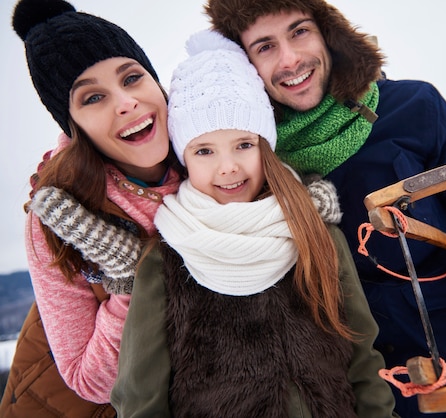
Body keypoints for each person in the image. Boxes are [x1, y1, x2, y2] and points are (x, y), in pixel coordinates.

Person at [204, 1, 446, 417]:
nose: (290, 59)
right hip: (351, 389)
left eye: (299, 32)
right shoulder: (251, 153)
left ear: (328, 33)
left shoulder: (414, 107)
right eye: (264, 47)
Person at [110, 29, 398, 418]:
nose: (228, 166)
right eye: (205, 150)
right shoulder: (166, 258)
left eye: (244, 144)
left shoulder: (315, 233)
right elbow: (140, 395)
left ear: (266, 146)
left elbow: (363, 354)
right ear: (184, 158)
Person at [0, 0, 183, 415]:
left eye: (132, 78)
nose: (125, 102)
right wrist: (127, 281)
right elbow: (90, 381)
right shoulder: (58, 215)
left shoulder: (211, 155)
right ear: (73, 124)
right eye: (93, 97)